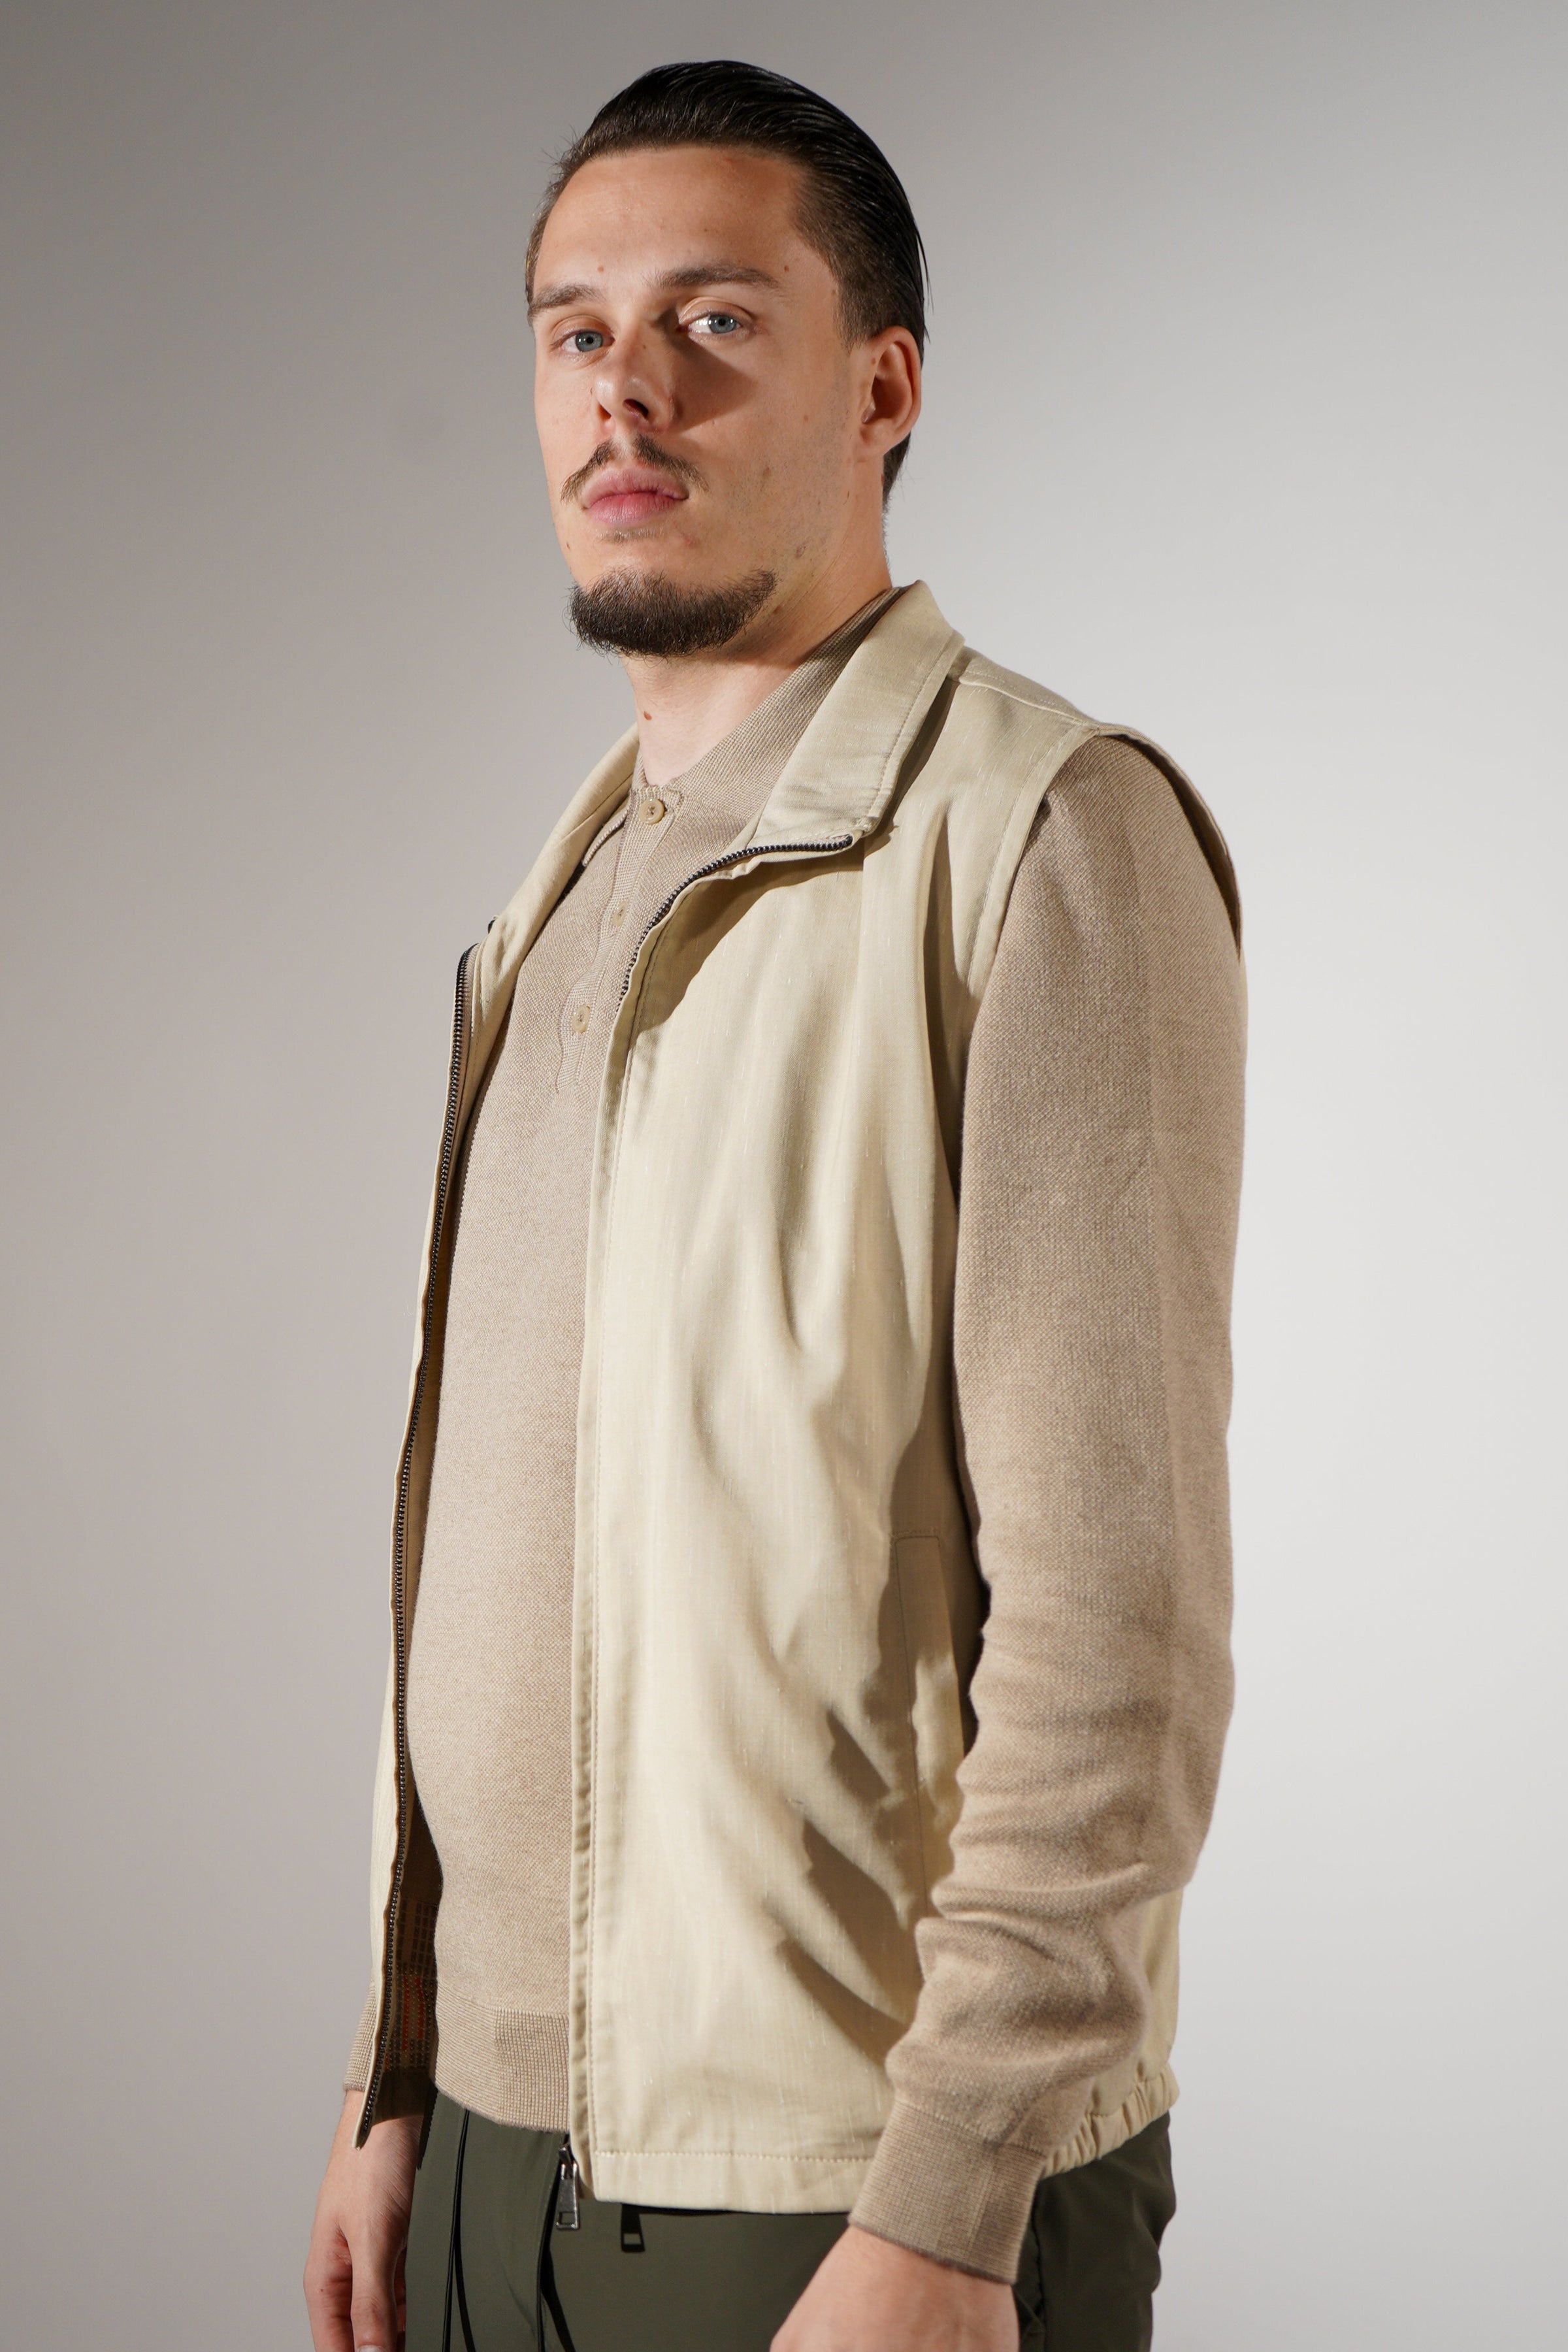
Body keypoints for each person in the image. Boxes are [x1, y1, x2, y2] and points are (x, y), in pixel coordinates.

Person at [304, 58, 1245, 2352]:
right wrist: (405, 2076)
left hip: (843, 2201)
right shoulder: (553, 908)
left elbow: (1116, 1636)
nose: (625, 389)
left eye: (714, 320)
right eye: (575, 330)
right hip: (487, 2172)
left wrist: (950, 2201)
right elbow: (504, 1547)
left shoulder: (1041, 842)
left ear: (883, 388)